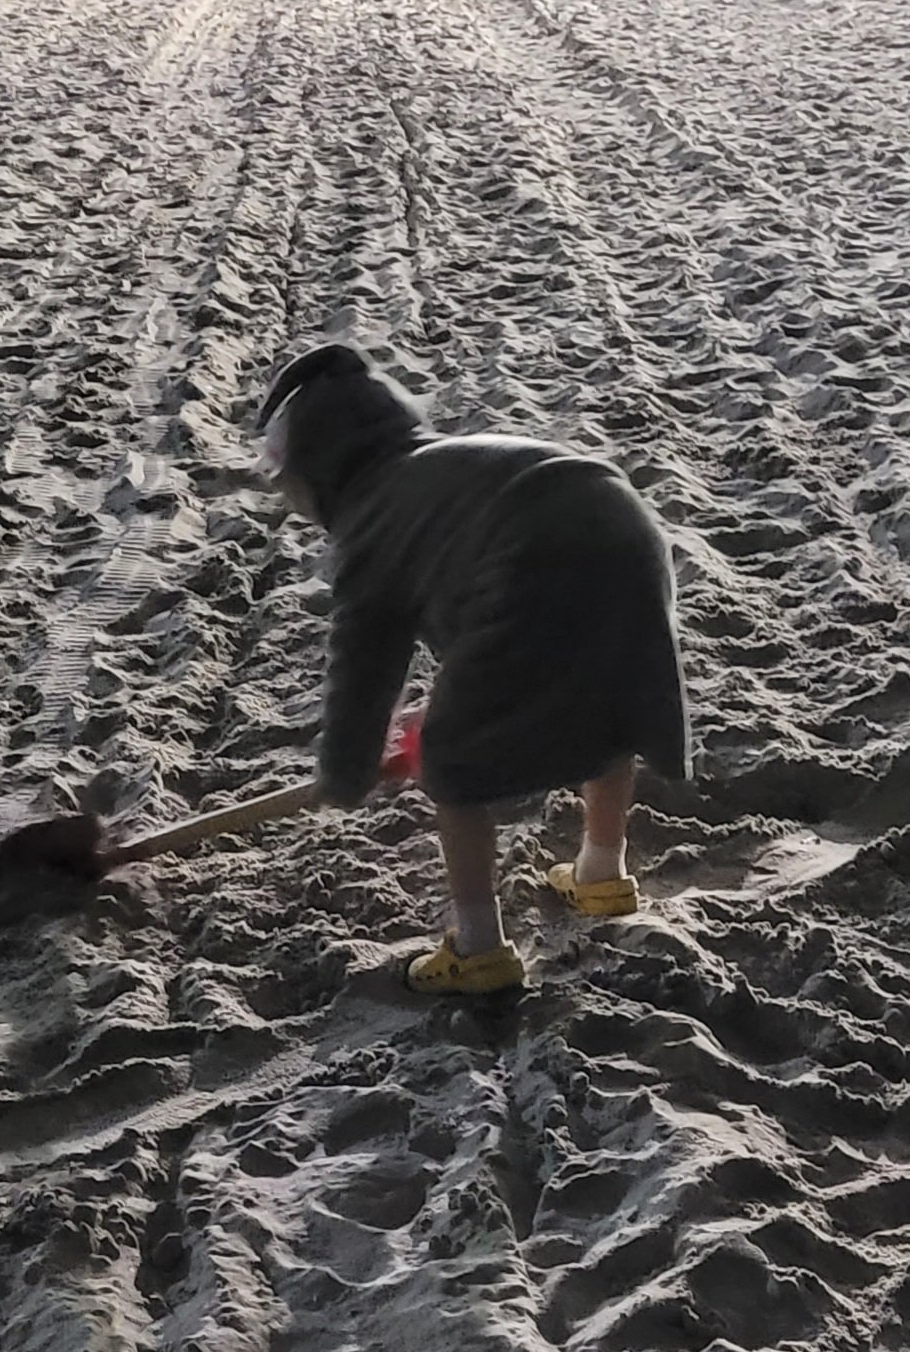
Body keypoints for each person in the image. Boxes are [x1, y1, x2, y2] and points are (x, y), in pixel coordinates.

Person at [254, 342, 690, 994]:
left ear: (321, 475)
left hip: (533, 562)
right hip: (623, 529)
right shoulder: (441, 465)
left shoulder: (369, 523)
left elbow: (364, 669)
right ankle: (602, 873)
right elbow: (481, 610)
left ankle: (479, 947)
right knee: (611, 699)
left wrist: (347, 768)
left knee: (448, 758)